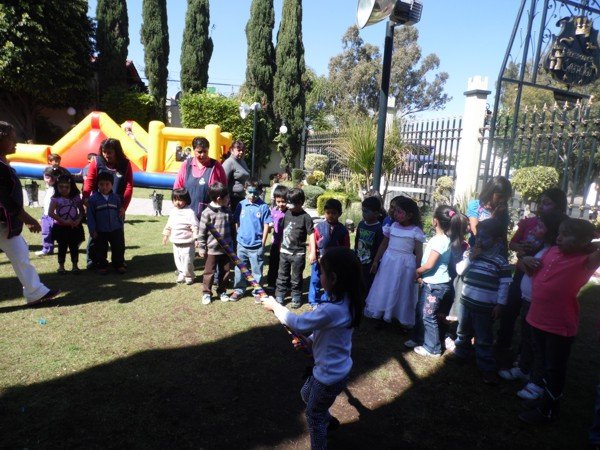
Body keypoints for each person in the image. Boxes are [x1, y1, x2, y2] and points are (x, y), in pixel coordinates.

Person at [262, 247, 366, 449]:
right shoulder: (347, 302)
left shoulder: (332, 309)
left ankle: (321, 432)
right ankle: (327, 419)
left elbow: (299, 323)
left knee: (313, 415)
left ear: (333, 278)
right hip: (338, 371)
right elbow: (328, 333)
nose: (319, 277)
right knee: (306, 394)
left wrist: (275, 307)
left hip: (328, 376)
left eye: (321, 273)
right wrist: (309, 341)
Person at [519, 219, 600, 425]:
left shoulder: (584, 260)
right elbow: (531, 271)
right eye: (560, 233)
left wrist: (591, 242)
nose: (559, 237)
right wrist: (526, 260)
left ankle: (549, 410)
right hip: (537, 318)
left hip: (558, 326)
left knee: (554, 369)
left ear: (583, 241)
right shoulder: (551, 251)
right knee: (542, 361)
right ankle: (543, 399)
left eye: (566, 235)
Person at [498, 211, 567, 399]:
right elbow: (525, 266)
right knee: (527, 338)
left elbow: (534, 271)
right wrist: (524, 256)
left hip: (539, 304)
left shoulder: (553, 252)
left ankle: (537, 382)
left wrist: (524, 260)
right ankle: (523, 368)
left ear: (551, 231)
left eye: (541, 226)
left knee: (538, 345)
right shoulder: (541, 247)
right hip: (528, 300)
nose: (536, 228)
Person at [496, 188, 568, 360]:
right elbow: (513, 243)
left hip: (540, 279)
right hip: (522, 273)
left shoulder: (561, 227)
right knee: (511, 307)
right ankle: (503, 342)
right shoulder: (529, 222)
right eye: (540, 202)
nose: (541, 206)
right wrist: (522, 250)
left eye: (547, 203)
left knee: (530, 318)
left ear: (559, 206)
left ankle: (524, 354)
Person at [0, 121, 60, 305]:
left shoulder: (3, 163)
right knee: (20, 253)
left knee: (20, 253)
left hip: (5, 224)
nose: (16, 142)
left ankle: (35, 292)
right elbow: (6, 199)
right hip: (4, 221)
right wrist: (28, 219)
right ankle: (35, 292)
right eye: (12, 138)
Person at [451, 218, 513, 385]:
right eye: (478, 236)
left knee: (484, 338)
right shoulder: (470, 254)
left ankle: (486, 367)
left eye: (485, 237)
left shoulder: (500, 262)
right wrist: (471, 258)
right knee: (463, 331)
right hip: (466, 302)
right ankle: (461, 353)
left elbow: (504, 285)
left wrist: (500, 304)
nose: (479, 240)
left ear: (497, 240)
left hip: (485, 307)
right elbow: (460, 270)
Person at [407, 205, 459, 357]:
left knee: (428, 315)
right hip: (431, 283)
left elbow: (430, 265)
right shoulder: (443, 239)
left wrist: (417, 272)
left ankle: (433, 348)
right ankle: (418, 338)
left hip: (435, 286)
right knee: (421, 311)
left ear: (435, 221)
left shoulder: (439, 241)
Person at [364, 196, 425, 326]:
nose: (395, 214)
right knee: (385, 285)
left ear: (409, 215)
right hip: (389, 261)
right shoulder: (392, 226)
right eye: (395, 211)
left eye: (399, 212)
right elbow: (383, 245)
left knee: (402, 288)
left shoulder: (416, 231)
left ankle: (399, 315)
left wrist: (418, 269)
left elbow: (419, 252)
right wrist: (376, 261)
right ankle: (382, 311)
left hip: (405, 264)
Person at [83, 139, 134, 269]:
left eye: (110, 152)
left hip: (117, 207)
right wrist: (86, 198)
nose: (106, 155)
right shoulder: (96, 161)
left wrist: (124, 207)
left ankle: (119, 261)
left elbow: (129, 186)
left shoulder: (125, 164)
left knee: (118, 236)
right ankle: (93, 260)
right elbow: (89, 181)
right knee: (96, 235)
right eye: (104, 152)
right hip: (99, 205)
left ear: (117, 152)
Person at [231, 180, 272, 301]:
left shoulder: (263, 206)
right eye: (250, 192)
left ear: (260, 192)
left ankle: (257, 291)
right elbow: (236, 221)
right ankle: (239, 290)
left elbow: (266, 225)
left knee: (256, 270)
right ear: (245, 190)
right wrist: (239, 234)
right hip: (242, 244)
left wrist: (263, 242)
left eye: (256, 193)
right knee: (240, 268)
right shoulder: (241, 204)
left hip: (257, 245)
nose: (253, 195)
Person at [275, 188, 315, 308]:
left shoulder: (306, 217)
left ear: (300, 203)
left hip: (298, 254)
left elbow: (311, 235)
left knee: (296, 277)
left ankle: (296, 296)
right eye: (288, 202)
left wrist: (312, 252)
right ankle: (280, 294)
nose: (288, 206)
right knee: (282, 275)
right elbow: (283, 230)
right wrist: (280, 245)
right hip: (284, 252)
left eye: (291, 203)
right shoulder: (287, 213)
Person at [197, 182, 234, 305]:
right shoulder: (207, 213)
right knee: (209, 272)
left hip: (226, 249)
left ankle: (222, 291)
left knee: (226, 271)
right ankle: (207, 293)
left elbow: (232, 229)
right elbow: (201, 232)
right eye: (227, 197)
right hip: (212, 250)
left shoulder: (227, 211)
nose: (228, 199)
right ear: (219, 198)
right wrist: (202, 248)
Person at [173, 136, 227, 219]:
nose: (203, 155)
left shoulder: (216, 166)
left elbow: (224, 189)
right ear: (194, 150)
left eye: (205, 151)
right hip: (187, 214)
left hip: (210, 215)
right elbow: (177, 188)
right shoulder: (186, 165)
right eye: (199, 152)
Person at [309, 199, 350, 307]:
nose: (330, 215)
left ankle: (328, 299)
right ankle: (313, 301)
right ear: (324, 212)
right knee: (315, 279)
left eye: (334, 213)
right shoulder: (319, 227)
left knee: (331, 280)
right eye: (328, 212)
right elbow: (313, 241)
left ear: (340, 214)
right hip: (319, 259)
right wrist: (313, 254)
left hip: (334, 261)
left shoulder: (343, 230)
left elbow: (346, 247)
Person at [87, 171, 126, 275]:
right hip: (100, 230)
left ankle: (119, 264)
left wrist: (120, 225)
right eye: (101, 184)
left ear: (112, 185)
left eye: (107, 184)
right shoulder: (93, 199)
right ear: (98, 185)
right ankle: (102, 265)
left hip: (115, 228)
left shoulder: (116, 198)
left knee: (118, 247)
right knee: (101, 249)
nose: (104, 187)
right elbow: (90, 216)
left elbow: (120, 212)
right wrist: (92, 230)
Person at [48, 174, 85, 274]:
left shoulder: (76, 198)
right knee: (62, 247)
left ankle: (75, 266)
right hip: (61, 228)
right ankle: (61, 266)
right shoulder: (56, 199)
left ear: (71, 187)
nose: (64, 189)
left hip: (74, 227)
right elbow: (50, 213)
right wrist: (63, 221)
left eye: (67, 187)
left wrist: (78, 220)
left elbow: (82, 211)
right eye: (61, 187)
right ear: (57, 187)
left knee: (74, 247)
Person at [162, 188, 199, 285]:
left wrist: (196, 239)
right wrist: (166, 235)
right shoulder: (173, 212)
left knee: (187, 261)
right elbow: (169, 225)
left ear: (186, 200)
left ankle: (189, 276)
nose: (177, 202)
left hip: (188, 243)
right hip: (176, 242)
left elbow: (195, 227)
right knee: (178, 261)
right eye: (175, 200)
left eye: (180, 200)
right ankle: (182, 273)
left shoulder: (189, 212)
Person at [466, 175, 512, 250]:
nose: (502, 200)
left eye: (505, 198)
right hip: (477, 251)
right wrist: (493, 217)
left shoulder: (502, 211)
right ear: (490, 193)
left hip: (496, 252)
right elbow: (476, 232)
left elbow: (503, 236)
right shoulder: (475, 206)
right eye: (499, 196)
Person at [355, 196, 384, 291]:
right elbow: (357, 240)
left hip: (370, 264)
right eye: (363, 211)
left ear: (376, 214)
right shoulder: (361, 224)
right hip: (359, 261)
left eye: (366, 211)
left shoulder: (379, 228)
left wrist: (375, 262)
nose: (363, 214)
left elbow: (380, 247)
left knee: (367, 286)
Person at [266, 184, 289, 289]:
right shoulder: (274, 211)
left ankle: (285, 284)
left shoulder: (289, 213)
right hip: (275, 243)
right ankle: (271, 283)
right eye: (278, 201)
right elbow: (271, 224)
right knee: (273, 263)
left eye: (283, 201)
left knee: (285, 266)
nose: (281, 204)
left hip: (285, 244)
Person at [35, 166, 60, 257]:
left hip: (55, 216)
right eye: (47, 177)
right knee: (46, 232)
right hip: (46, 215)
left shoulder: (58, 189)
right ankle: (47, 249)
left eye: (52, 177)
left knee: (58, 233)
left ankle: (72, 243)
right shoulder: (49, 188)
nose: (49, 180)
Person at [222, 140, 251, 212]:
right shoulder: (229, 162)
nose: (241, 152)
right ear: (232, 150)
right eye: (239, 150)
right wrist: (226, 199)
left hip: (243, 197)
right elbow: (223, 182)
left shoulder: (242, 162)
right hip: (233, 199)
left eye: (243, 150)